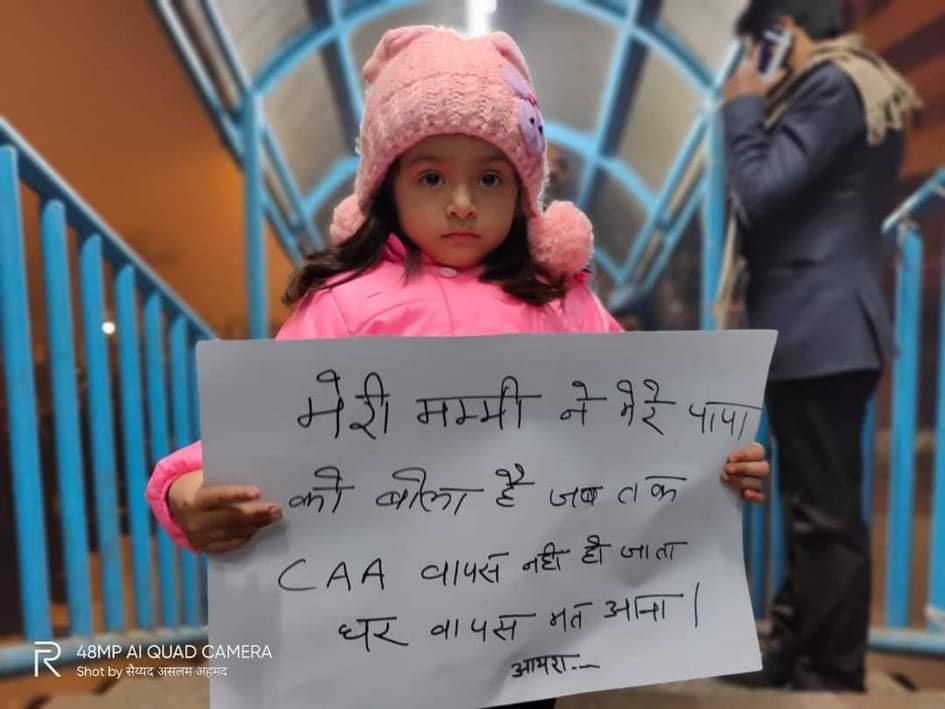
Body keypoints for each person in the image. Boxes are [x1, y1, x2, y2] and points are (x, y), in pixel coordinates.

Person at [146, 25, 771, 709]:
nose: (463, 201)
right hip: (384, 634)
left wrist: (710, 458)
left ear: (524, 191)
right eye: (431, 176)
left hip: (524, 632)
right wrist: (187, 490)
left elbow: (641, 419)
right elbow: (267, 427)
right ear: (387, 184)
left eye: (491, 177)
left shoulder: (565, 301)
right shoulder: (344, 305)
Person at [718, 0, 921, 693]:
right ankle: (793, 650)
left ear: (781, 34)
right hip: (815, 325)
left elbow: (759, 190)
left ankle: (826, 670)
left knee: (824, 513)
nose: (754, 64)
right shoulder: (850, 84)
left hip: (821, 324)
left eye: (758, 46)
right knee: (808, 506)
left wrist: (742, 107)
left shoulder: (832, 85)